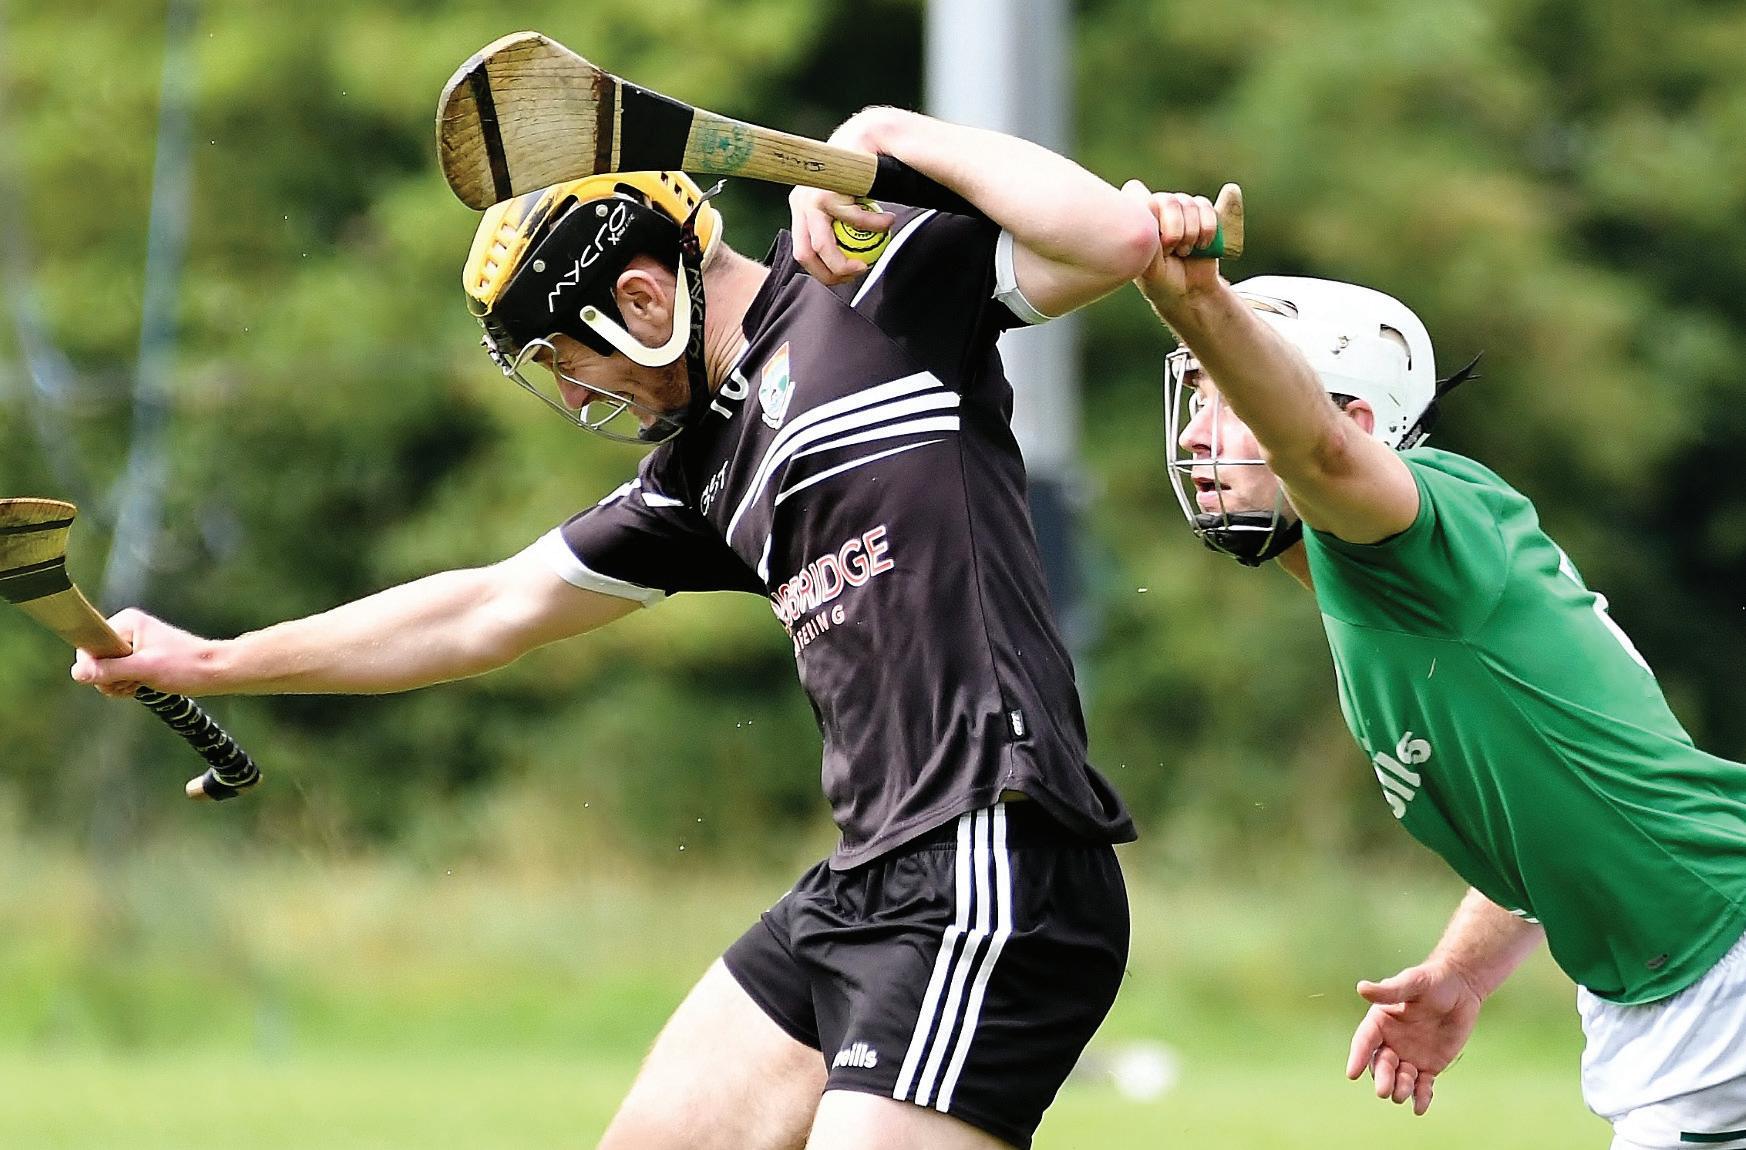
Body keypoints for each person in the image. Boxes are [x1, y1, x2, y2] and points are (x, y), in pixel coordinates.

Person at [73, 109, 1162, 1150]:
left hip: (991, 856)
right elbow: (487, 609)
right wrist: (212, 659)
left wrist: (882, 132)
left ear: (641, 300)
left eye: (567, 361)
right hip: (868, 877)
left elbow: (1115, 237)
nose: (584, 398)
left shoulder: (873, 291)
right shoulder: (699, 474)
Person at [1129, 185, 1746, 1150]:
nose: (1195, 436)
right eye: (1198, 400)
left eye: (1229, 399)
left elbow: (1319, 454)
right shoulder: (1390, 595)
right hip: (1678, 988)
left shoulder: (1426, 528)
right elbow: (1549, 811)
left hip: (1719, 968)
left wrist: (1200, 301)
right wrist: (1464, 972)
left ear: (1356, 423)